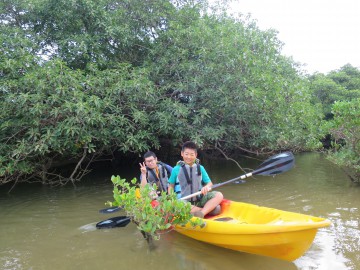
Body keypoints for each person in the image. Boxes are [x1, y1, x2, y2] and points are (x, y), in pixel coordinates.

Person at [167, 141, 223, 218]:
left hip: (199, 200)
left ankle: (201, 213)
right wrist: (172, 199)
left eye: (192, 154)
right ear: (182, 154)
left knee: (219, 195)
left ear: (196, 155)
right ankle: (207, 210)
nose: (189, 157)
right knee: (216, 209)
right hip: (183, 201)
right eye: (186, 154)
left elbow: (209, 183)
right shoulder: (176, 169)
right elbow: (171, 186)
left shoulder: (200, 168)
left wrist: (206, 187)